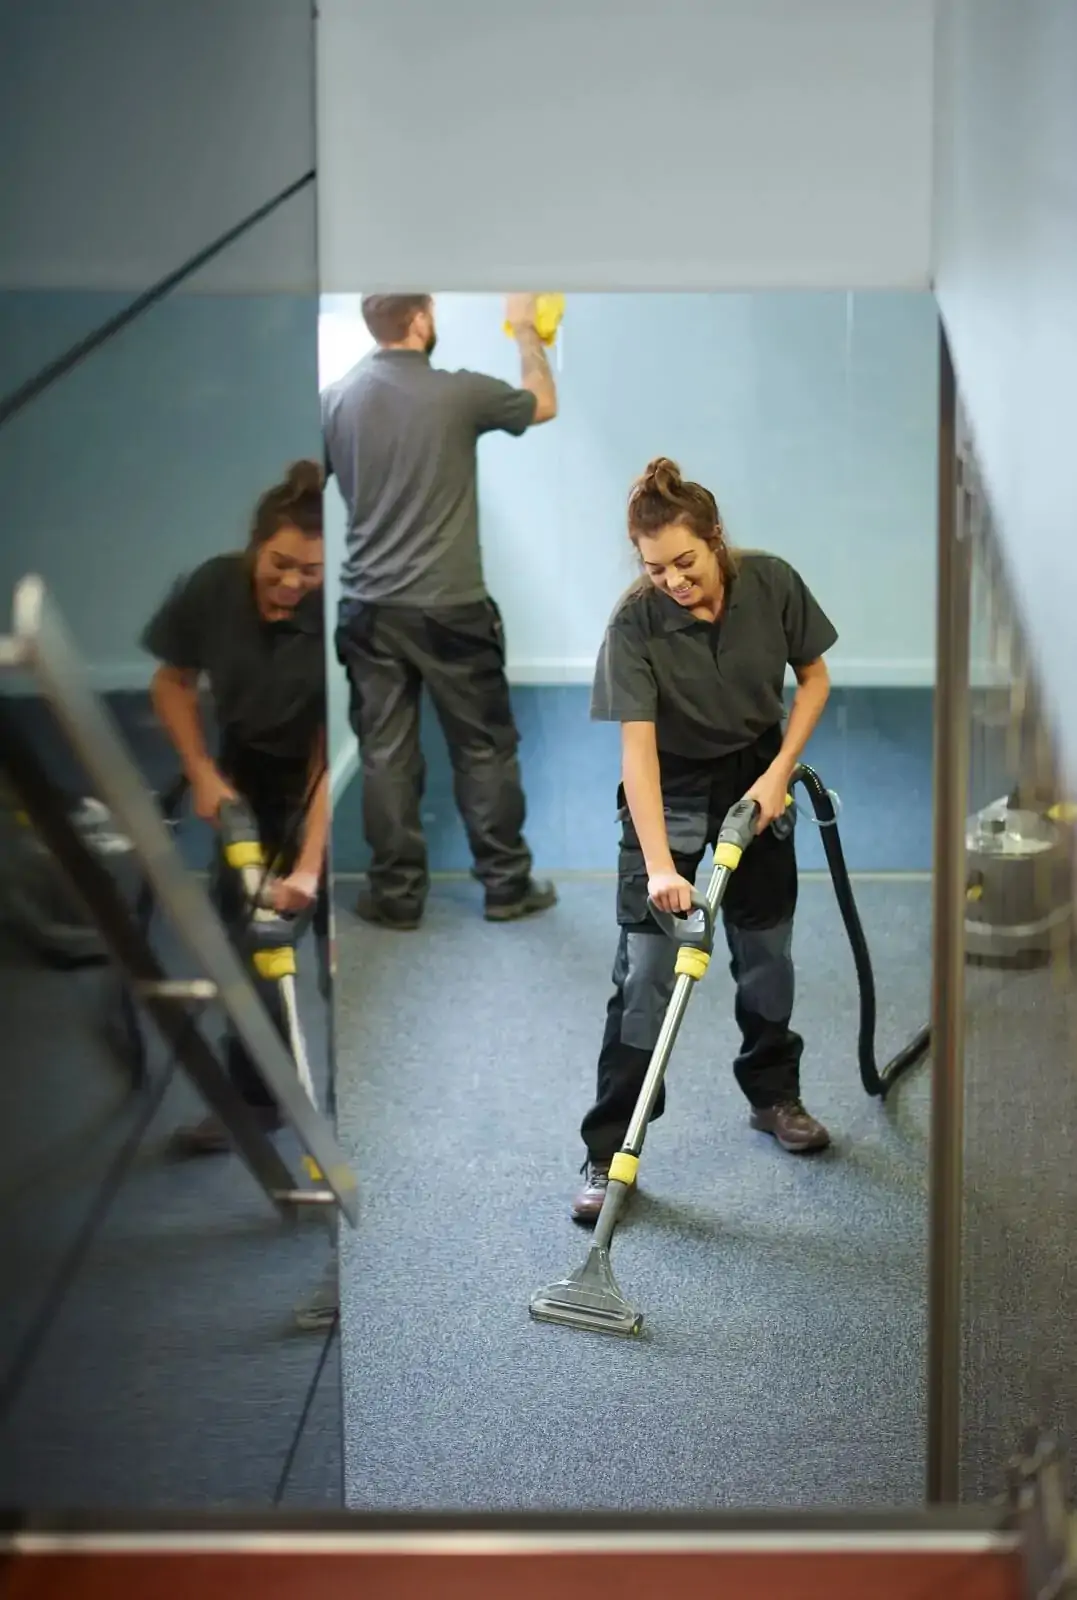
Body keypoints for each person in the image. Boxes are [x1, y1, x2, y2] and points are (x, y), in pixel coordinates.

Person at [571, 457, 838, 1225]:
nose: (673, 580)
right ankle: (609, 1146)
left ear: (715, 541)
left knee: (765, 957)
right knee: (648, 973)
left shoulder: (772, 582)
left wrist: (779, 773)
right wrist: (659, 865)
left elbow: (813, 678)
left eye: (684, 562)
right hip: (673, 790)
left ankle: (772, 1096)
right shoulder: (634, 624)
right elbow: (638, 753)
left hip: (757, 774)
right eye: (655, 568)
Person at [323, 292, 559, 930]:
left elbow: (302, 481)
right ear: (422, 319)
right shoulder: (458, 392)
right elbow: (543, 401)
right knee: (483, 748)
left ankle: (397, 898)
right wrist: (525, 332)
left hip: (369, 607)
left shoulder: (336, 398)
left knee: (384, 753)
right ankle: (506, 886)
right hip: (451, 607)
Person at [141, 460, 330, 1156]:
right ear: (255, 547)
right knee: (249, 951)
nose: (290, 583)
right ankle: (255, 1104)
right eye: (278, 564)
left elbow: (327, 755)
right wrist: (201, 772)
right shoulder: (215, 587)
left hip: (321, 780)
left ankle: (350, 1117)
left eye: (308, 571)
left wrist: (309, 870)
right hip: (245, 768)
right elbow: (172, 681)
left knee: (332, 954)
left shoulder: (335, 611)